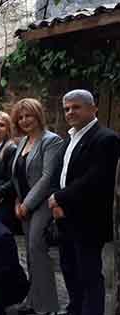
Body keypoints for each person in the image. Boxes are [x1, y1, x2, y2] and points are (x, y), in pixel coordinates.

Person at [48, 89, 120, 315]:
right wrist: (56, 201)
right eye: (67, 108)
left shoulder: (106, 139)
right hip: (64, 216)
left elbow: (96, 179)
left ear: (93, 108)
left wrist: (59, 198)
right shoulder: (70, 137)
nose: (70, 112)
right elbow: (58, 173)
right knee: (69, 269)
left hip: (88, 219)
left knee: (89, 273)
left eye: (76, 107)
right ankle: (74, 309)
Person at [0, 98, 63, 315]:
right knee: (31, 256)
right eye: (20, 117)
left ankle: (47, 306)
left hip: (41, 204)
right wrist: (17, 202)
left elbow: (47, 177)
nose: (24, 120)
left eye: (28, 115)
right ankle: (32, 301)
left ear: (38, 115)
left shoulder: (52, 141)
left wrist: (27, 204)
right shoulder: (21, 141)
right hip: (23, 205)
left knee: (37, 252)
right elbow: (16, 177)